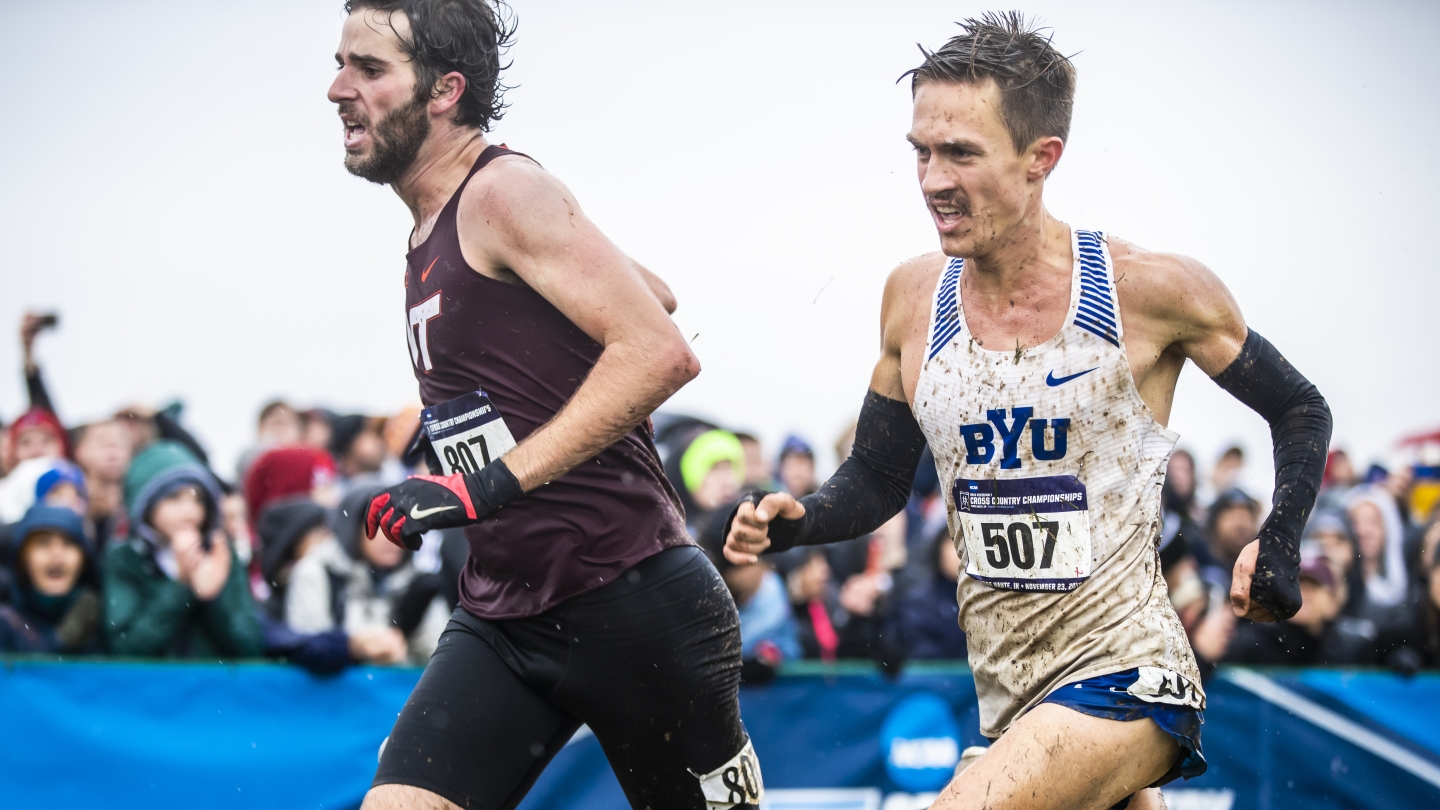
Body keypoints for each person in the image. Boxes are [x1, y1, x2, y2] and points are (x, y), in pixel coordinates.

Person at [722, 14, 1331, 809]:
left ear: (1042, 159)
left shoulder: (1147, 290)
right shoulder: (912, 298)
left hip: (1129, 672)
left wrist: (1277, 539)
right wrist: (796, 521)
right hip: (1012, 700)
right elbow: (877, 476)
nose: (933, 180)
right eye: (922, 152)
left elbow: (1299, 406)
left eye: (962, 154)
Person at [327, 3, 757, 808]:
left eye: (369, 69)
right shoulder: (435, 223)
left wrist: (475, 488)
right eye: (341, 63)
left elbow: (662, 349)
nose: (336, 89)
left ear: (445, 91)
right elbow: (653, 294)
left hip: (635, 606)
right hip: (503, 615)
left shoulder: (502, 192)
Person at [102, 442, 263, 658]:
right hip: (150, 690)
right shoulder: (124, 558)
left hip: (213, 688)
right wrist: (182, 587)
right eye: (174, 497)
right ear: (145, 503)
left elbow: (250, 647)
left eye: (198, 499)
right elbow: (125, 648)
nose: (190, 511)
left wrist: (211, 596)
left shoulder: (221, 552)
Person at [281, 489, 448, 664]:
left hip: (397, 690)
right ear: (353, 529)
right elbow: (304, 646)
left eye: (400, 525)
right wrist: (356, 647)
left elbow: (438, 656)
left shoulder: (418, 581)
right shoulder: (317, 571)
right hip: (332, 688)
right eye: (379, 526)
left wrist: (403, 645)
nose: (391, 536)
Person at [255, 495, 409, 670]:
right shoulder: (313, 575)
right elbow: (304, 645)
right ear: (290, 546)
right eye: (320, 534)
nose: (329, 543)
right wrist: (353, 646)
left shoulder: (389, 578)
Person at [1224, 555, 1375, 666]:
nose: (1304, 595)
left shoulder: (1349, 648)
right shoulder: (1254, 644)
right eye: (1296, 585)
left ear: (1332, 602)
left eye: (1314, 587)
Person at [0, 505, 100, 653]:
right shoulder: (5, 623)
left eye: (68, 543)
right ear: (22, 558)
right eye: (43, 543)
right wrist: (62, 640)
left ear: (84, 559)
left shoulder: (102, 617)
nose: (57, 555)